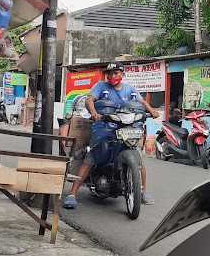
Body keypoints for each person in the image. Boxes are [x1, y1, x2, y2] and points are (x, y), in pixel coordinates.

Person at [63, 64, 159, 209]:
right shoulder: (101, 86)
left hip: (127, 127)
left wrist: (152, 111)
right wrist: (94, 113)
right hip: (104, 127)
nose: (112, 76)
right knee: (92, 155)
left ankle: (143, 190)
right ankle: (72, 194)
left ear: (122, 74)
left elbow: (142, 102)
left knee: (138, 157)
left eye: (116, 73)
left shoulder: (130, 90)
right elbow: (89, 100)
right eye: (110, 74)